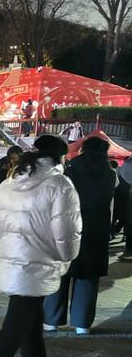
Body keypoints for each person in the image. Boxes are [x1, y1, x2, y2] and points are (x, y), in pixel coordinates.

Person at [0, 136, 81, 357]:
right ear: (59, 157)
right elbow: (66, 230)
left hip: (14, 258)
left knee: (29, 317)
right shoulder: (59, 184)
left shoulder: (11, 182)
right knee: (16, 324)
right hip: (39, 261)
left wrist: (13, 243)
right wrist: (66, 256)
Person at [43, 135, 115, 334]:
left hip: (69, 227)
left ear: (83, 150)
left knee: (61, 273)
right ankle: (82, 324)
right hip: (97, 231)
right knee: (88, 277)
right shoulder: (109, 174)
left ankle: (51, 320)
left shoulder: (71, 170)